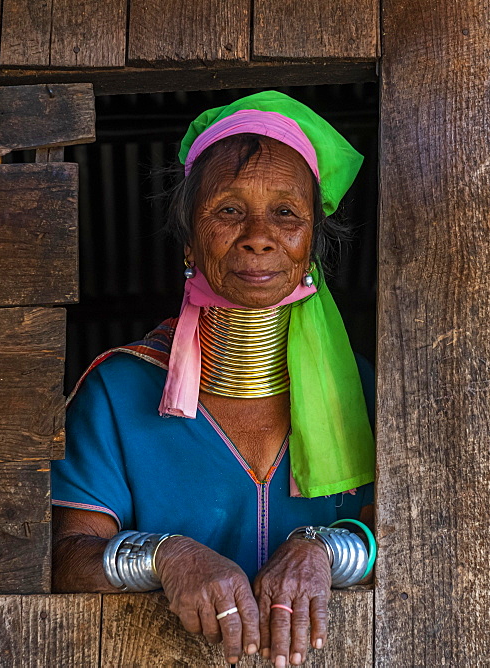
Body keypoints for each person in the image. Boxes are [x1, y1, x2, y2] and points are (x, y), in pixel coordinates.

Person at [51, 91, 376, 667]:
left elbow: (422, 535)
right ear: (189, 244)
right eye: (228, 210)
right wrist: (165, 556)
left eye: (286, 213)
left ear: (311, 247)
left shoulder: (364, 395)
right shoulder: (117, 391)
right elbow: (65, 557)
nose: (258, 234)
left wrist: (324, 547)